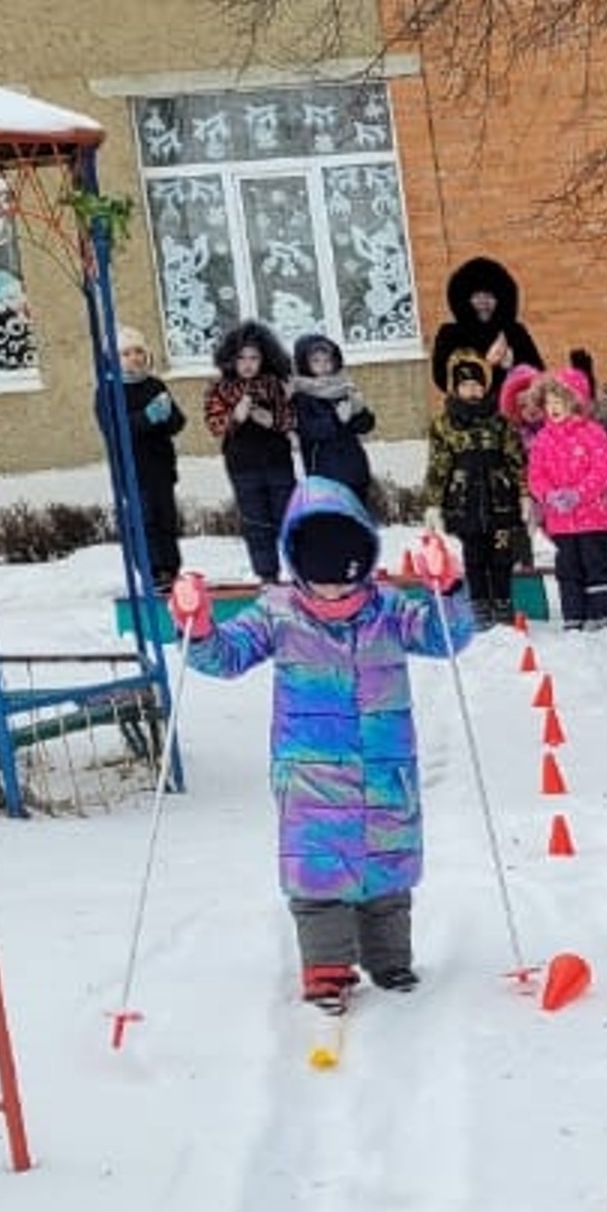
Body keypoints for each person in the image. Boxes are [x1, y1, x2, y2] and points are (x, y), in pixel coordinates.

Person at [169, 481, 474, 1006]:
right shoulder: (278, 613)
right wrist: (196, 627)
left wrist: (445, 588)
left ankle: (390, 960)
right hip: (311, 777)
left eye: (345, 584)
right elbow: (225, 657)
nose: (334, 595)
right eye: (322, 583)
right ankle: (328, 967)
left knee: (387, 870)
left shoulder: (389, 608)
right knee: (319, 873)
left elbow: (448, 636)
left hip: (384, 770)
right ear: (297, 566)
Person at [423, 345, 529, 626]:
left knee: (501, 555)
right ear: (455, 388)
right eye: (465, 385)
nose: (472, 390)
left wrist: (524, 493)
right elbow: (438, 465)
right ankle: (480, 603)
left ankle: (503, 602)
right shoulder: (444, 425)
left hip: (500, 500)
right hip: (464, 501)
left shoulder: (500, 421)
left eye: (476, 384)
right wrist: (433, 502)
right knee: (475, 556)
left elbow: (516, 458)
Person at [523, 364, 607, 628]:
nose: (554, 408)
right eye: (549, 402)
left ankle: (601, 613)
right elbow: (535, 475)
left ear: (575, 403)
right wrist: (548, 495)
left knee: (595, 563)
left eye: (560, 402)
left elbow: (603, 470)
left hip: (593, 516)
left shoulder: (592, 433)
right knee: (568, 567)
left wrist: (578, 494)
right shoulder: (542, 439)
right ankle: (573, 614)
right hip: (561, 521)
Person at [205, 319, 296, 581]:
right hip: (243, 465)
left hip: (278, 462)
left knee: (287, 519)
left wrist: (274, 421)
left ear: (264, 358)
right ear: (230, 358)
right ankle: (267, 575)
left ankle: (300, 571)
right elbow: (215, 425)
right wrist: (237, 416)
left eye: (254, 357)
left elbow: (290, 419)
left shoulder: (275, 384)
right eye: (241, 357)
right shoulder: (219, 389)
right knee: (256, 523)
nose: (247, 364)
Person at [99, 325, 184, 586]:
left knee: (166, 517)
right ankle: (153, 571)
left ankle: (172, 568)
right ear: (114, 359)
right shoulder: (108, 392)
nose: (133, 358)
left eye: (138, 352)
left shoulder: (155, 384)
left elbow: (177, 423)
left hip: (160, 466)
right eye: (125, 353)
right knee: (145, 519)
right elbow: (113, 428)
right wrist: (146, 417)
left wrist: (167, 414)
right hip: (132, 470)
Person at [289, 330, 379, 507]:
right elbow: (308, 430)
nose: (323, 365)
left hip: (355, 468)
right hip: (325, 474)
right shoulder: (300, 396)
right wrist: (337, 419)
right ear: (304, 364)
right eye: (315, 361)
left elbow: (365, 426)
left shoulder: (344, 388)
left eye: (327, 360)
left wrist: (359, 412)